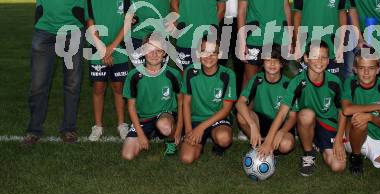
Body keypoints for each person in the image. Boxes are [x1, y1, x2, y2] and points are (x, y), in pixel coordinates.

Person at [23, 0, 97, 145]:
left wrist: (79, 14)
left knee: (73, 83)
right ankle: (34, 129)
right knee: (37, 84)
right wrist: (45, 4)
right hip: (44, 29)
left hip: (73, 31)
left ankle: (69, 128)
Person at [261, 41, 346, 176]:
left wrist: (339, 140)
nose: (319, 61)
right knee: (306, 115)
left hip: (327, 124)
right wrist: (268, 141)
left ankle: (321, 145)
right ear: (306, 58)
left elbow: (343, 111)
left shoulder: (334, 82)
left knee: (338, 166)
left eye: (323, 57)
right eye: (315, 56)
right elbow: (282, 113)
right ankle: (308, 153)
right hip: (306, 121)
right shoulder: (297, 82)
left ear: (328, 60)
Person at [85, 0, 130, 141]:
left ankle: (122, 124)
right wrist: (103, 49)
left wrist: (111, 47)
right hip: (97, 49)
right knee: (98, 87)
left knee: (118, 87)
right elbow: (90, 22)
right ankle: (98, 126)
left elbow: (128, 23)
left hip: (118, 48)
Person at [121, 32, 183, 159]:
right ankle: (151, 132)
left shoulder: (173, 74)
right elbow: (131, 107)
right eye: (150, 50)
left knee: (165, 126)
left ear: (165, 52)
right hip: (143, 118)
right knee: (128, 155)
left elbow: (182, 102)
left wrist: (179, 129)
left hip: (165, 114)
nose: (154, 55)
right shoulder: (134, 75)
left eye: (159, 51)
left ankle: (170, 141)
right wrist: (141, 134)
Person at [180, 36, 237, 164]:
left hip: (218, 119)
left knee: (224, 139)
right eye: (204, 52)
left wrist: (201, 128)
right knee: (187, 158)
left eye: (213, 53)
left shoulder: (227, 75)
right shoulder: (190, 71)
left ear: (220, 54)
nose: (208, 57)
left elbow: (226, 109)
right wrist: (189, 130)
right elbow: (186, 103)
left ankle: (218, 146)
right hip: (195, 119)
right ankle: (199, 144)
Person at [235, 45, 295, 154]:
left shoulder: (289, 85)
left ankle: (269, 146)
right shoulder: (257, 79)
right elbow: (239, 103)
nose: (272, 64)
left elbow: (292, 117)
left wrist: (281, 132)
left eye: (276, 61)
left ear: (282, 64)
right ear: (262, 63)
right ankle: (258, 143)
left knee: (286, 145)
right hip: (261, 121)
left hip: (280, 122)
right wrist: (252, 125)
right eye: (268, 60)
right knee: (241, 115)